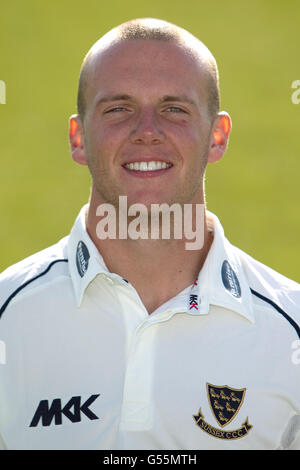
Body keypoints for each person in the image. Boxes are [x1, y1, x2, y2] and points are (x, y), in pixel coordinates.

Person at [0, 18, 299, 451]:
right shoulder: (8, 320)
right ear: (78, 137)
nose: (146, 131)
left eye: (174, 109)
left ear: (217, 136)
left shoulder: (289, 332)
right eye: (118, 109)